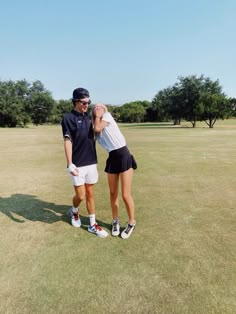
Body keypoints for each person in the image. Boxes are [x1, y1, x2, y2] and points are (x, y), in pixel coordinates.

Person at [61, 88, 108, 238]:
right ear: (75, 101)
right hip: (77, 163)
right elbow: (67, 140)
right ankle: (74, 211)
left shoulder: (89, 116)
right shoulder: (67, 118)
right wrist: (69, 163)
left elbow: (99, 123)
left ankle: (93, 225)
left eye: (88, 102)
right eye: (83, 102)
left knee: (90, 194)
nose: (86, 105)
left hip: (91, 161)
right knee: (80, 196)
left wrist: (99, 112)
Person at [93, 104, 137, 239]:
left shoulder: (107, 116)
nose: (98, 107)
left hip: (124, 156)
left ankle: (131, 222)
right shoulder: (96, 126)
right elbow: (95, 131)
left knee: (125, 195)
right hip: (112, 158)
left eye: (100, 106)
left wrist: (98, 116)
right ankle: (115, 221)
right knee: (113, 193)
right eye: (95, 107)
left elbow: (98, 127)